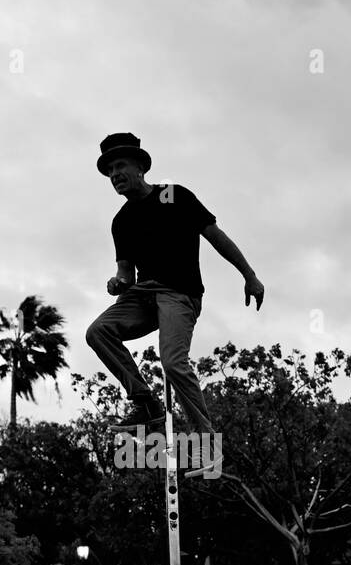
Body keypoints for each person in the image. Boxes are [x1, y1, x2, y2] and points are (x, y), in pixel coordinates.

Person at [85, 133, 265, 434]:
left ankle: (206, 440)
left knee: (172, 364)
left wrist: (249, 275)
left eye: (119, 166)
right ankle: (146, 405)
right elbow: (126, 274)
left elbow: (216, 237)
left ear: (140, 168)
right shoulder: (122, 220)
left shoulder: (173, 196)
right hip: (143, 295)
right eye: (109, 171)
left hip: (179, 293)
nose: (114, 175)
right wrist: (118, 284)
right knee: (97, 332)